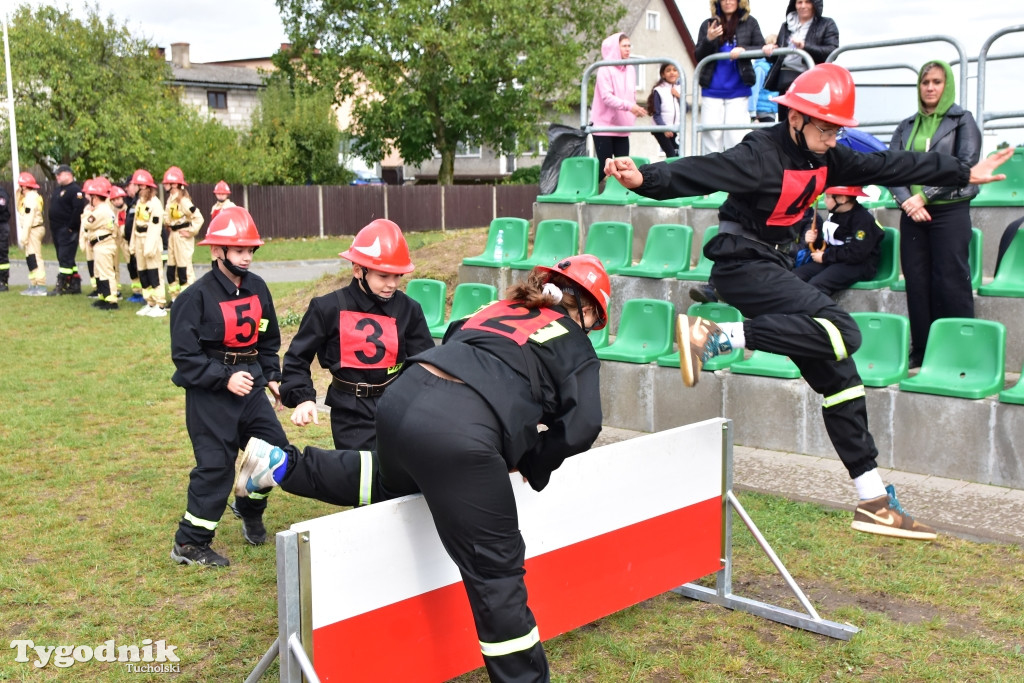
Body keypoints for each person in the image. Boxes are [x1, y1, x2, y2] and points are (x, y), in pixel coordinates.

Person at [604, 63, 1013, 542]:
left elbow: (891, 164)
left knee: (840, 373)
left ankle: (872, 500)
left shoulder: (830, 156)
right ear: (795, 118)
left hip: (776, 270)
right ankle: (715, 336)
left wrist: (964, 170)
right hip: (741, 267)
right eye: (825, 127)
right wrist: (643, 178)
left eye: (839, 129)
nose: (834, 138)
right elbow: (702, 170)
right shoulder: (761, 153)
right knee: (848, 331)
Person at [236, 254, 610, 682]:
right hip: (460, 433)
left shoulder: (497, 306)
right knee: (496, 574)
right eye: (594, 323)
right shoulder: (572, 338)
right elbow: (583, 425)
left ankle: (279, 464)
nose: (591, 332)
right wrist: (532, 459)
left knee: (385, 478)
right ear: (587, 310)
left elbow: (453, 338)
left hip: (402, 400)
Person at [169, 206, 287, 567]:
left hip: (250, 385)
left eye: (251, 251)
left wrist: (271, 376)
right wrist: (224, 378)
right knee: (216, 467)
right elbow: (185, 357)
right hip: (210, 395)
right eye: (239, 251)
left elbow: (267, 337)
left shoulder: (258, 288)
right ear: (217, 251)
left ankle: (249, 509)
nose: (247, 258)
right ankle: (190, 544)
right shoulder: (194, 298)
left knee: (275, 455)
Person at [282, 219, 433, 451]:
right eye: (383, 276)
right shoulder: (327, 308)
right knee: (362, 477)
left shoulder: (409, 310)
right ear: (358, 270)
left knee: (398, 476)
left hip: (397, 406)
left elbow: (425, 363)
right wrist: (303, 397)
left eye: (398, 276)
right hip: (350, 412)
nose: (392, 284)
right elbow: (297, 358)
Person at [888, 60, 981, 369]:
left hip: (949, 211)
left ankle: (958, 352)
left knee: (950, 281)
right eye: (925, 82)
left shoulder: (962, 120)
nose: (930, 87)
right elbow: (892, 168)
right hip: (912, 214)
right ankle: (923, 352)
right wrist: (907, 201)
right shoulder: (905, 125)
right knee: (917, 282)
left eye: (937, 82)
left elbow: (964, 166)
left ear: (947, 86)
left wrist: (924, 196)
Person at [694, 0, 765, 154]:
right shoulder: (709, 24)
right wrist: (709, 39)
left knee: (736, 138)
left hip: (738, 89)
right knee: (711, 138)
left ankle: (735, 176)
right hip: (712, 90)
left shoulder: (750, 22)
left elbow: (761, 47)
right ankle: (709, 176)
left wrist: (743, 49)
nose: (727, 2)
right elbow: (698, 55)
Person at [793, 186, 884, 297]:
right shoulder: (835, 215)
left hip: (857, 265)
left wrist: (825, 257)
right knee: (795, 277)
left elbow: (857, 253)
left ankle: (821, 313)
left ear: (842, 199)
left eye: (827, 197)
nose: (824, 200)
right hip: (836, 259)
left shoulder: (862, 220)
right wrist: (815, 240)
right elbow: (831, 242)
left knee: (818, 284)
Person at [763, 0, 839, 123]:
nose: (803, 6)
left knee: (808, 122)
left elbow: (832, 51)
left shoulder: (827, 24)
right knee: (786, 123)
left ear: (815, 4)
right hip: (786, 82)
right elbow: (778, 56)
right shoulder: (786, 25)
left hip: (812, 83)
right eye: (799, 2)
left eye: (807, 2)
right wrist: (770, 50)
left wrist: (805, 46)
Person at [591, 33, 646, 179]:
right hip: (604, 127)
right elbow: (607, 97)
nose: (628, 49)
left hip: (622, 127)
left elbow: (631, 95)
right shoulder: (604, 69)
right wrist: (630, 107)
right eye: (624, 46)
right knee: (605, 167)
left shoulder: (630, 69)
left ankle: (619, 198)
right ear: (616, 48)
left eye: (629, 46)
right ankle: (587, 194)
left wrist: (635, 110)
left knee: (623, 167)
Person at [129, 169, 168, 317]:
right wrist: (133, 243)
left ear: (146, 187)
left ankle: (160, 304)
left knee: (154, 273)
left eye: (139, 185)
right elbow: (135, 224)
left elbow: (155, 226)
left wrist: (149, 246)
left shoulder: (155, 204)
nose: (137, 188)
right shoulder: (140, 202)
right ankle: (150, 302)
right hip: (139, 239)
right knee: (143, 272)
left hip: (150, 241)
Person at [162, 166, 204, 307]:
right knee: (172, 269)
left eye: (167, 182)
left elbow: (198, 218)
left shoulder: (184, 201)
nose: (165, 185)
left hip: (182, 238)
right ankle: (175, 299)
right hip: (173, 236)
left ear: (174, 184)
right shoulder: (171, 200)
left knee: (184, 269)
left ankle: (188, 299)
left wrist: (190, 231)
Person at [78, 178, 120, 310]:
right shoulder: (104, 209)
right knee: (100, 273)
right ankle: (103, 296)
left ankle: (111, 300)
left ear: (95, 197)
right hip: (100, 244)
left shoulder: (100, 210)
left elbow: (87, 223)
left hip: (104, 245)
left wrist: (87, 213)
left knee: (106, 273)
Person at [47, 164, 88, 296]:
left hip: (67, 229)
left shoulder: (76, 191)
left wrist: (71, 227)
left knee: (65, 257)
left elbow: (78, 209)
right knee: (66, 258)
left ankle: (62, 284)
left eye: (59, 174)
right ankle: (74, 282)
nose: (57, 176)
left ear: (68, 174)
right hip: (57, 229)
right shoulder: (59, 189)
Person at [16, 172, 48, 296]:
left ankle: (40, 285)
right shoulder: (29, 197)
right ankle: (34, 284)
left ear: (24, 186)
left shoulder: (30, 199)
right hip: (32, 229)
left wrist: (24, 237)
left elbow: (28, 219)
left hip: (33, 230)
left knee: (35, 257)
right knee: (31, 257)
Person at [646, 62, 682, 158]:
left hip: (673, 128)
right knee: (671, 154)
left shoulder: (679, 89)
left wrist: (679, 96)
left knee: (677, 154)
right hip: (661, 128)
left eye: (675, 70)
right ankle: (667, 173)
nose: (672, 73)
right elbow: (656, 114)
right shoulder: (659, 90)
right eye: (668, 70)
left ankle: (673, 173)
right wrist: (664, 128)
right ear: (663, 74)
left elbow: (686, 109)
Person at [749, 54, 778, 123]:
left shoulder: (773, 65)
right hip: (762, 112)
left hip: (770, 110)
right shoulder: (760, 68)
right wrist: (753, 115)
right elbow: (754, 90)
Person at [0, 182, 10, 292]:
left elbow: (2, 206)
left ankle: (3, 280)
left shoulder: (1, 192)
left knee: (2, 253)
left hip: (1, 227)